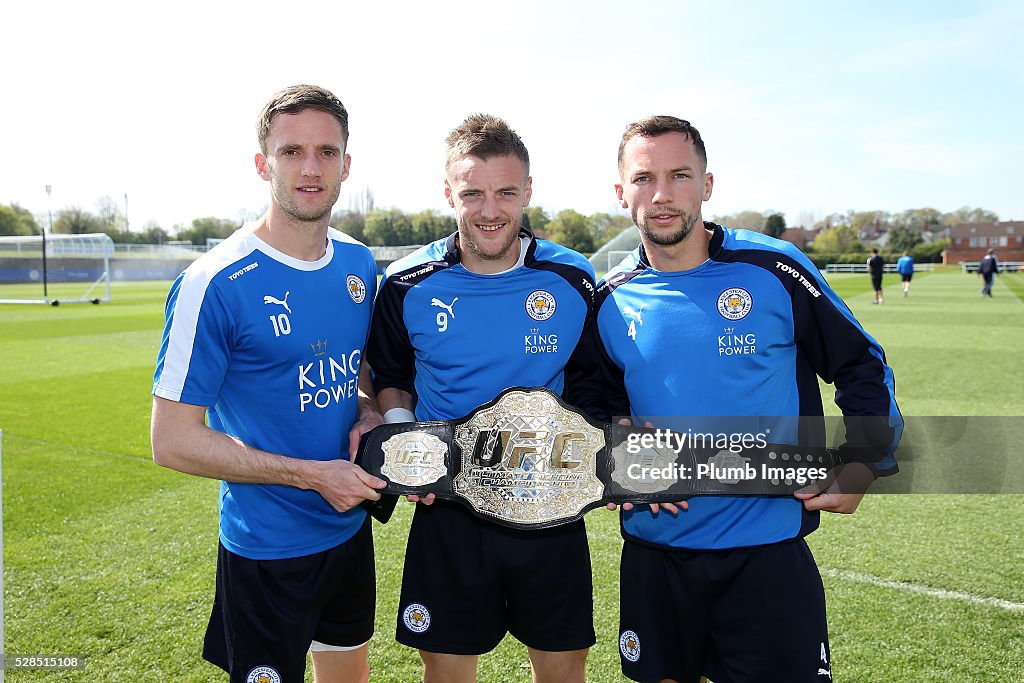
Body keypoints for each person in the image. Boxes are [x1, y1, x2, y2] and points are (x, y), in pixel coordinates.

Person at [569, 115, 902, 683]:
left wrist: (865, 462)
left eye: (680, 175)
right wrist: (616, 451)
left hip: (765, 550)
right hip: (656, 553)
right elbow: (586, 400)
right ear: (621, 191)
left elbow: (861, 365)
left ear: (708, 184)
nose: (663, 195)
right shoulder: (608, 300)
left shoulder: (773, 270)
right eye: (645, 178)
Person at [150, 84, 386, 683]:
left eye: (327, 152)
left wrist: (368, 411)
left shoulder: (359, 265)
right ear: (263, 164)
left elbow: (355, 368)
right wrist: (310, 474)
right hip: (266, 549)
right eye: (292, 152)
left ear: (346, 165)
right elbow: (172, 440)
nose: (311, 169)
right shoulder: (215, 282)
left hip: (350, 529)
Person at [366, 114, 596, 683]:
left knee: (563, 672)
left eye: (505, 193)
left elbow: (596, 383)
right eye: (472, 193)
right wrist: (407, 442)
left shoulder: (573, 277)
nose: (490, 210)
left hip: (549, 507)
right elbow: (390, 374)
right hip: (448, 512)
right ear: (449, 193)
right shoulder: (406, 282)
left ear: (528, 193)